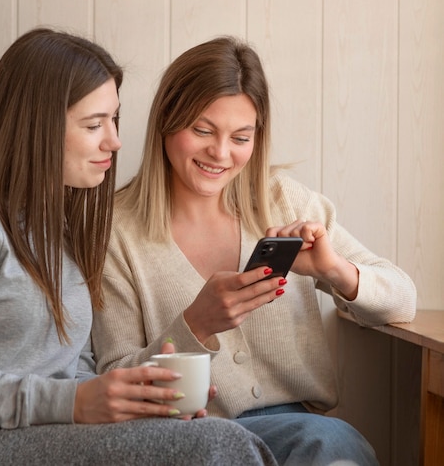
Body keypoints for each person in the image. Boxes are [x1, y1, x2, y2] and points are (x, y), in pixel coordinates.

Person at [0, 29, 278, 466]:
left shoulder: (59, 236)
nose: (114, 142)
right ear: (36, 127)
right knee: (220, 446)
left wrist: (139, 403)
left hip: (36, 439)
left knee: (210, 433)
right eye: (94, 124)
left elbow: (70, 372)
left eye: (114, 120)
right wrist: (74, 401)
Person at [91, 35, 417, 465]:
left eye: (240, 137)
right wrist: (194, 325)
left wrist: (334, 269)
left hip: (306, 435)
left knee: (331, 446)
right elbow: (116, 380)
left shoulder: (285, 201)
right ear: (166, 121)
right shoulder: (115, 232)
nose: (220, 153)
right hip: (193, 441)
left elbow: (402, 299)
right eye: (202, 130)